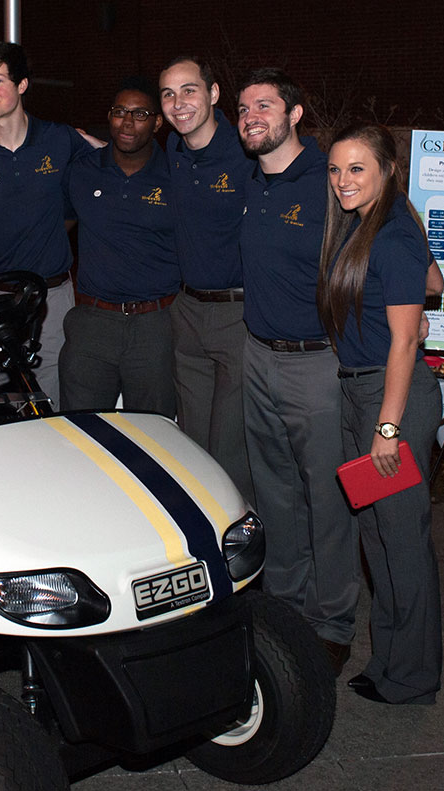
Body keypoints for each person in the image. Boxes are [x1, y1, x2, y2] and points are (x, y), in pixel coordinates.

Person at [318, 121, 443, 705]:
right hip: (361, 392)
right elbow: (433, 281)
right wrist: (416, 302)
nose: (343, 180)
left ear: (387, 170)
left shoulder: (391, 235)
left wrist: (387, 430)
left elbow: (402, 345)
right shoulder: (371, 225)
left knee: (402, 542)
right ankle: (390, 661)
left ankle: (413, 677)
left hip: (390, 399)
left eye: (357, 168)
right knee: (378, 538)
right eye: (337, 169)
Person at [235, 67, 356, 673]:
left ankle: (333, 622)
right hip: (257, 356)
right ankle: (285, 612)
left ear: (296, 113)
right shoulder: (250, 182)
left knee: (329, 498)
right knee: (275, 494)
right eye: (243, 108)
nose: (251, 116)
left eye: (263, 105)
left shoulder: (329, 181)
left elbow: (383, 249)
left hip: (318, 365)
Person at [0, 42, 95, 409]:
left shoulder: (59, 139)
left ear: (23, 84)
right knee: (1, 405)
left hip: (51, 299)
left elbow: (116, 164)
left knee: (53, 402)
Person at [158, 55, 254, 504]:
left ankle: (244, 550)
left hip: (238, 315)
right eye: (169, 94)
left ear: (214, 94)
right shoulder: (173, 153)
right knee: (192, 446)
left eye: (189, 90)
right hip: (188, 311)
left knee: (231, 448)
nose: (179, 103)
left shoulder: (247, 153)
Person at [59, 80, 179, 415]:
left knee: (154, 434)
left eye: (140, 113)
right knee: (81, 432)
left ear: (157, 122)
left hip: (155, 326)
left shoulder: (176, 174)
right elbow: (54, 228)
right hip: (93, 324)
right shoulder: (83, 171)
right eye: (119, 112)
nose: (127, 122)